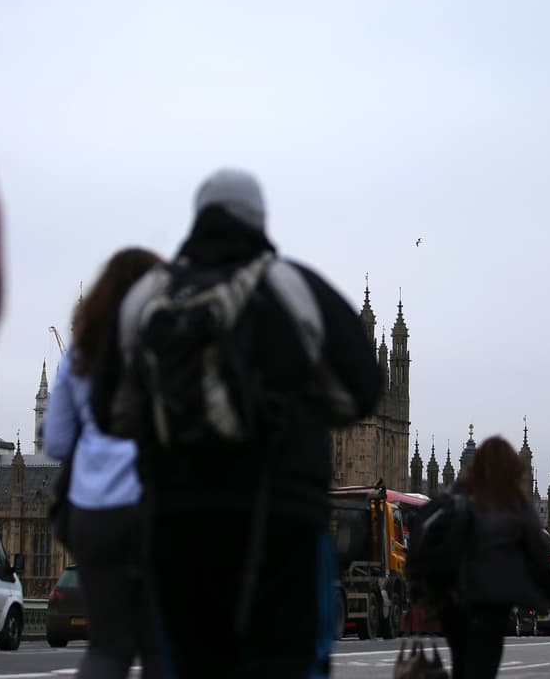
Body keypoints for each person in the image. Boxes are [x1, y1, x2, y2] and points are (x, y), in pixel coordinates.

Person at [91, 168, 382, 678]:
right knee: (289, 663)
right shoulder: (289, 284)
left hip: (176, 520)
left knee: (192, 665)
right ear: (260, 220)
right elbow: (361, 389)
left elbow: (108, 411)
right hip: (282, 522)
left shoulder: (147, 296)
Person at [43, 248, 163, 679]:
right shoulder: (167, 340)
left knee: (107, 648)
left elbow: (55, 441)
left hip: (92, 514)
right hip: (152, 508)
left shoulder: (79, 352)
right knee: (159, 646)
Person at [446, 436, 550, 679]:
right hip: (491, 603)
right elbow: (539, 555)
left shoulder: (453, 498)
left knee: (461, 665)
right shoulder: (516, 506)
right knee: (483, 667)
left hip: (454, 601)